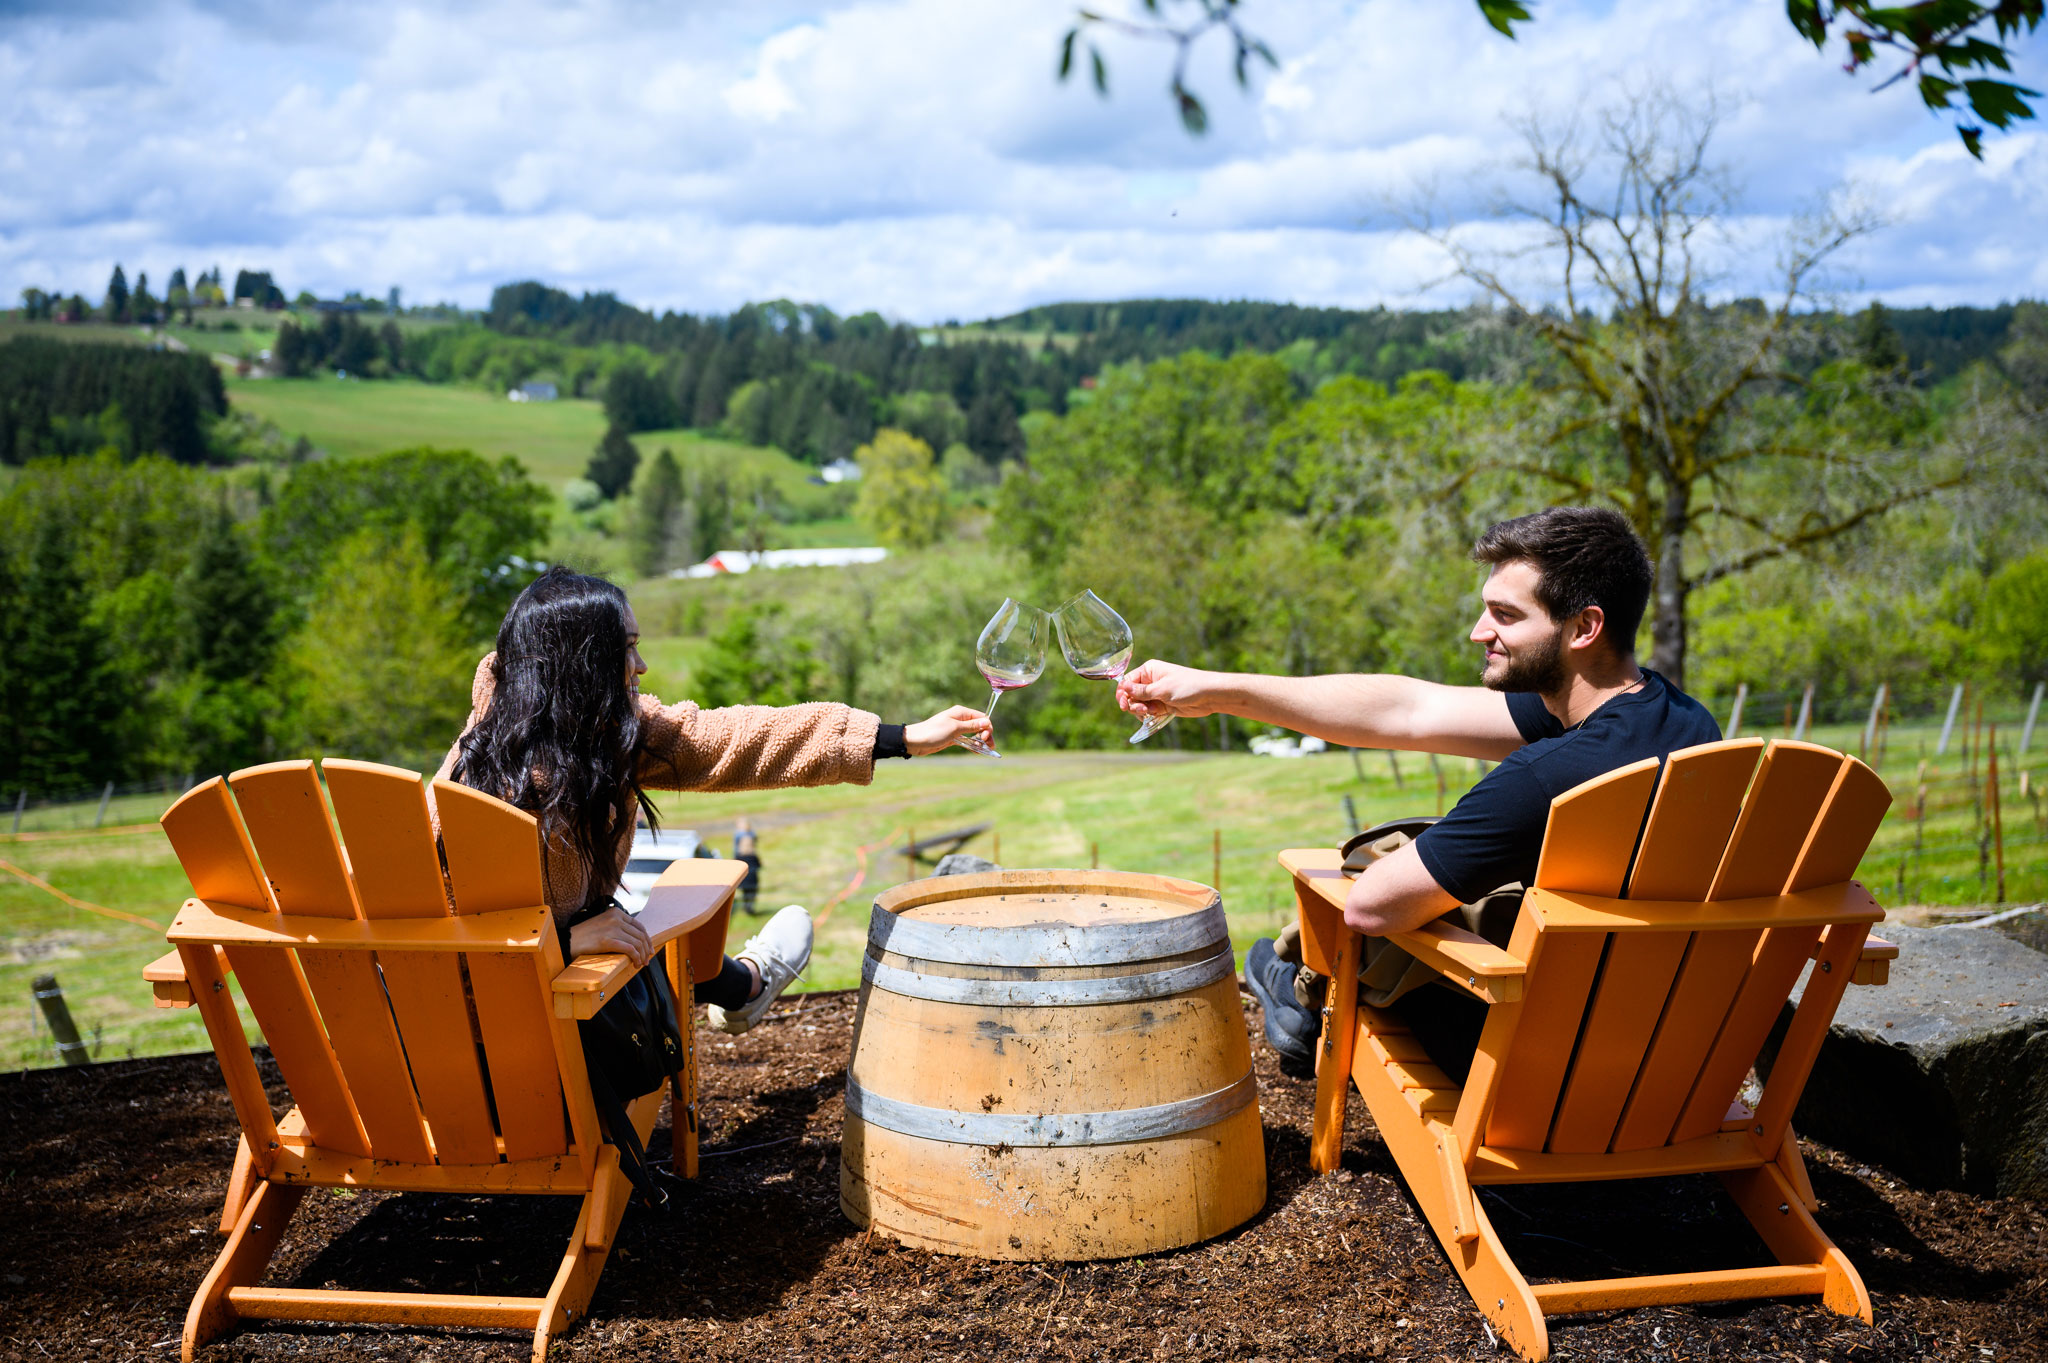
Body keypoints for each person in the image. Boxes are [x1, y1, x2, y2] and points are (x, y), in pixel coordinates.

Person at [1116, 507, 1721, 1079]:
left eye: (1505, 615)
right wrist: (1216, 690)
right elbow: (1409, 709)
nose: (1478, 631)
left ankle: (1302, 994)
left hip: (1540, 1063)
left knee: (1370, 884)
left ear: (1584, 627)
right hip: (1663, 1052)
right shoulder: (1686, 726)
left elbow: (1372, 908)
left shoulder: (1545, 777)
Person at [439, 566, 990, 1034]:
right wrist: (564, 942)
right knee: (661, 914)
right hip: (518, 1028)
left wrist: (901, 738)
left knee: (637, 918)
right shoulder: (480, 795)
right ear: (580, 667)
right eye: (626, 649)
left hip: (540, 987)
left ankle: (742, 985)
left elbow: (736, 740)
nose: (641, 666)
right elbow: (434, 941)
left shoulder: (592, 734)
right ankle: (747, 984)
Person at [732, 818, 763, 915]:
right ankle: (749, 907)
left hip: (744, 879)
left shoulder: (739, 857)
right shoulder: (754, 856)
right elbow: (759, 865)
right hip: (753, 879)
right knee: (751, 893)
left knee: (746, 893)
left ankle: (746, 906)